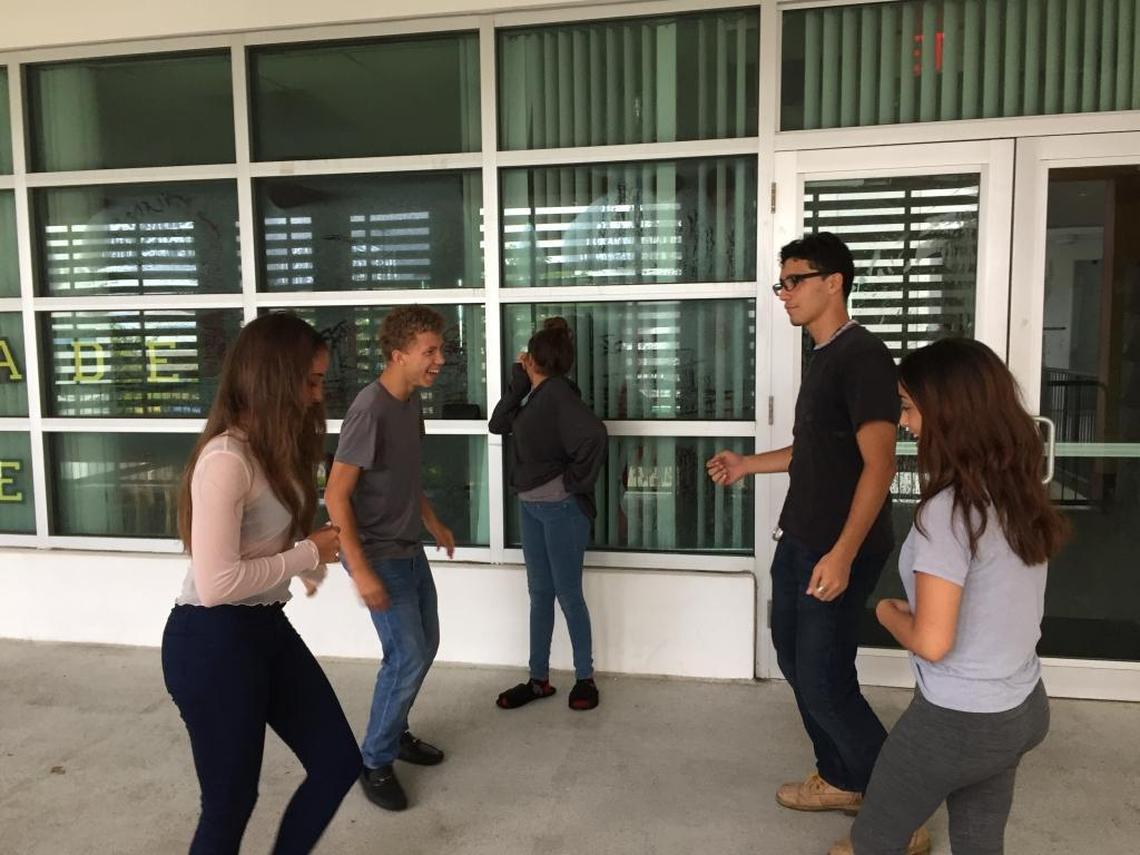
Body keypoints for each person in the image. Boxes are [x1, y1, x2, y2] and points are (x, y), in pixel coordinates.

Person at [831, 338, 1066, 855]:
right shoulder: (1018, 492)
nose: (905, 423)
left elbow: (933, 642)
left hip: (959, 720)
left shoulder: (949, 511)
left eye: (910, 408)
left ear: (951, 413)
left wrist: (888, 612)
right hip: (1023, 706)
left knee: (873, 838)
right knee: (980, 839)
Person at [707, 233, 898, 814]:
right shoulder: (826, 356)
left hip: (835, 549)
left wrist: (841, 555)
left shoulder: (863, 356)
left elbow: (880, 464)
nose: (783, 293)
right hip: (801, 540)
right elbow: (812, 450)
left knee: (824, 678)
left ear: (833, 281)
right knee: (794, 660)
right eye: (780, 283)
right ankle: (841, 776)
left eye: (794, 281)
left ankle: (895, 807)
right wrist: (747, 465)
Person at [161, 312, 361, 855]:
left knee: (338, 762)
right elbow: (218, 582)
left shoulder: (274, 452)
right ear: (274, 377)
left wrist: (310, 562)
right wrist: (305, 555)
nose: (319, 395)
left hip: (263, 628)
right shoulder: (225, 459)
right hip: (211, 640)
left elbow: (270, 549)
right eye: (311, 380)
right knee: (230, 804)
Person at [324, 305, 456, 813]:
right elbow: (336, 495)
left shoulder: (408, 404)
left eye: (440, 350)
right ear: (399, 355)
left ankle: (395, 732)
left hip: (408, 547)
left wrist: (434, 522)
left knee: (426, 645)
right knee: (406, 656)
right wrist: (360, 571)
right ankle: (374, 762)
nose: (440, 360)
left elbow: (403, 477)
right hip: (377, 554)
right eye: (431, 351)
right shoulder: (370, 409)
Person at [489, 317, 607, 711]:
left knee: (568, 595)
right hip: (533, 508)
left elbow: (594, 435)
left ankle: (584, 679)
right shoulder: (539, 394)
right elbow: (498, 423)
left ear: (534, 359)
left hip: (560, 510)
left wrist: (572, 483)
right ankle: (538, 679)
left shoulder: (557, 395)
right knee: (540, 595)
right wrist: (522, 383)